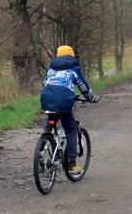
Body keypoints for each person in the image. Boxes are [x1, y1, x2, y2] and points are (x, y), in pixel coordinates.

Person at [41, 46, 97, 174]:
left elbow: (45, 83)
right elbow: (83, 86)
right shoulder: (73, 68)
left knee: (51, 121)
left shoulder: (51, 68)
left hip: (47, 98)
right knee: (70, 130)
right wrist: (90, 97)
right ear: (71, 55)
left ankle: (43, 145)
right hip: (64, 100)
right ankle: (72, 163)